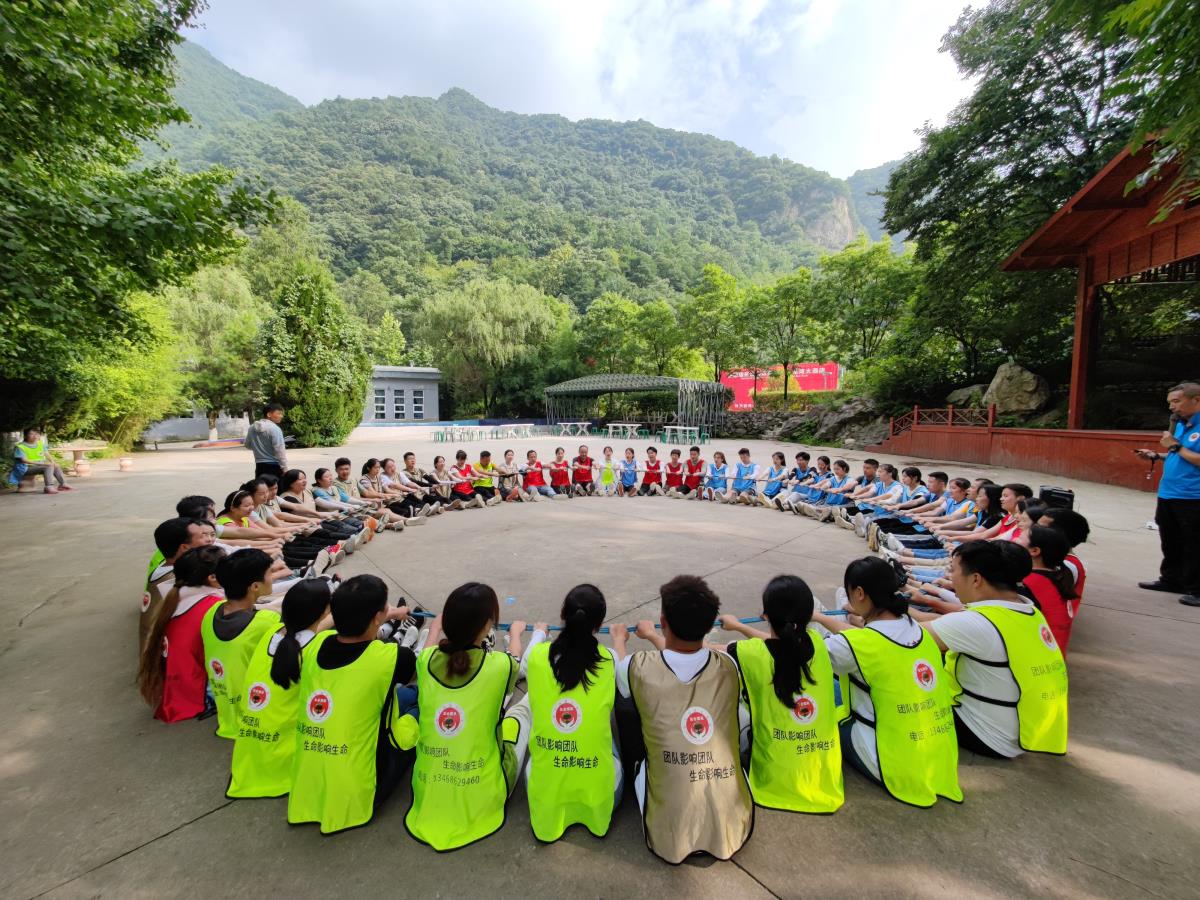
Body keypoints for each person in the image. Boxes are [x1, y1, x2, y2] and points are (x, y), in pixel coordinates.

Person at [609, 575, 752, 864]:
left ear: (663, 621)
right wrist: (654, 636)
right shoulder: (729, 666)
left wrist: (619, 641)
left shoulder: (636, 666)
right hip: (732, 824)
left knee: (625, 706)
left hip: (668, 830)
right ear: (709, 627)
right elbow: (689, 654)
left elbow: (623, 669)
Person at [813, 558, 962, 807]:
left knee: (823, 687)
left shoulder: (857, 645)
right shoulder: (920, 631)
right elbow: (864, 639)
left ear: (860, 593)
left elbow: (801, 657)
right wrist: (819, 616)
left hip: (890, 761)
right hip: (937, 759)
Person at [403, 582, 530, 851]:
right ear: (486, 626)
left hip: (427, 790)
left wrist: (434, 629)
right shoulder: (501, 665)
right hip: (485, 793)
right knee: (520, 713)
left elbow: (427, 651)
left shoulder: (425, 661)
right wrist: (516, 634)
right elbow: (515, 659)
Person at [287, 575, 417, 833]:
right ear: (377, 617)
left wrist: (388, 613)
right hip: (363, 786)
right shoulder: (392, 656)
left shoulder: (315, 644)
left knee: (400, 695)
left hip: (308, 783)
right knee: (418, 706)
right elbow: (421, 670)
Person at [922, 541, 1068, 758]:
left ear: (976, 579)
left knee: (895, 668)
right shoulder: (1027, 609)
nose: (950, 577)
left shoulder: (978, 623)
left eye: (953, 570)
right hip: (1021, 730)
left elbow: (903, 638)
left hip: (986, 734)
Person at [715, 575, 843, 813]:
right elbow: (781, 643)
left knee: (735, 701)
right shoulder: (818, 642)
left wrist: (653, 636)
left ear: (766, 615)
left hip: (771, 783)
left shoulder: (750, 653)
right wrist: (740, 627)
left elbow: (703, 649)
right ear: (808, 615)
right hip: (824, 784)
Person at [522, 584, 622, 841]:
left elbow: (526, 660)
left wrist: (539, 633)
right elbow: (624, 672)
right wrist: (620, 640)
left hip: (546, 793)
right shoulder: (609, 659)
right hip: (601, 793)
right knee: (609, 729)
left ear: (562, 614)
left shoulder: (536, 657)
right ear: (599, 624)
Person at [228, 579, 332, 798]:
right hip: (284, 760)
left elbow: (307, 632)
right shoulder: (319, 649)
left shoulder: (272, 632)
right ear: (325, 611)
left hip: (249, 757)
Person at [137, 545, 227, 723]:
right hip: (199, 693)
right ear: (212, 578)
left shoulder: (177, 594)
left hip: (175, 686)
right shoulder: (212, 605)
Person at [201, 549, 282, 739]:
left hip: (227, 713)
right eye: (270, 573)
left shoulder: (212, 611)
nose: (272, 577)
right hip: (255, 715)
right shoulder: (265, 622)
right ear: (255, 586)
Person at [1136, 382, 1200, 607]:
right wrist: (1157, 455)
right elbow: (1181, 455)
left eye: (1177, 401)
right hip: (1169, 493)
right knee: (1171, 540)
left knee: (1194, 544)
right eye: (1170, 402)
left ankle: (1196, 589)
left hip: (1193, 496)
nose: (1172, 407)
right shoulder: (1182, 424)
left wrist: (1174, 446)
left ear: (1197, 400)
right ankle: (1172, 580)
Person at [1018, 525, 1080, 653]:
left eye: (1019, 537)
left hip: (1036, 656)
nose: (1014, 539)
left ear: (1034, 551)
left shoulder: (1028, 584)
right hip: (1054, 654)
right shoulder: (1057, 575)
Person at [11, 427, 71, 493]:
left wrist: (53, 462)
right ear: (25, 435)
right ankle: (49, 487)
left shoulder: (40, 444)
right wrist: (44, 464)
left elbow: (47, 454)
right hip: (24, 468)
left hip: (37, 466)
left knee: (55, 466)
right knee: (48, 466)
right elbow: (23, 460)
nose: (35, 436)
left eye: (37, 434)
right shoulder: (20, 446)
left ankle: (63, 484)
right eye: (32, 434)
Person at [244, 403, 288, 477]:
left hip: (259, 466)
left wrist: (259, 448)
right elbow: (279, 450)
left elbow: (247, 445)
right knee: (275, 485)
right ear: (269, 414)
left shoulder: (252, 428)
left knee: (261, 484)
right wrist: (285, 469)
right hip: (274, 467)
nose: (281, 416)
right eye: (279, 413)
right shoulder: (275, 429)